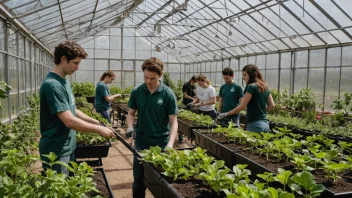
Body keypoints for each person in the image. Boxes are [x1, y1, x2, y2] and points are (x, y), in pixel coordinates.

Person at [39, 40, 116, 175]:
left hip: (67, 146)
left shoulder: (64, 82)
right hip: (56, 150)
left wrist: (97, 122)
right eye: (75, 63)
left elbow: (74, 110)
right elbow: (69, 120)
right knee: (59, 190)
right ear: (63, 59)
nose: (77, 67)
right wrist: (99, 130)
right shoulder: (53, 85)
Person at [125, 57, 178, 198]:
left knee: (162, 183)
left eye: (152, 78)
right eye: (146, 77)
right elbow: (130, 113)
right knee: (138, 182)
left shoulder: (168, 94)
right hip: (141, 144)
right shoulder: (137, 91)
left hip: (161, 145)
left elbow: (173, 122)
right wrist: (130, 127)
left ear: (160, 75)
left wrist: (170, 145)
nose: (148, 81)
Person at [217, 64, 275, 132]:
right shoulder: (265, 86)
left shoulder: (250, 87)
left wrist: (226, 114)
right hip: (265, 124)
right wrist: (262, 114)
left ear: (251, 74)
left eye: (245, 75)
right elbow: (272, 105)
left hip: (254, 124)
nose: (243, 78)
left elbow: (242, 106)